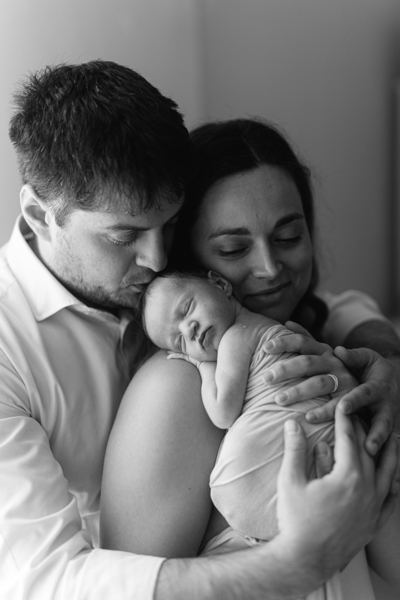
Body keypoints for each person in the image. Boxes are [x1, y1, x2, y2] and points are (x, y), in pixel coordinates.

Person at [0, 61, 397, 600]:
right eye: (124, 236)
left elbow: (332, 307)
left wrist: (382, 354)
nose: (156, 259)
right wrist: (298, 562)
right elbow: (44, 578)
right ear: (38, 215)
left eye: (168, 227)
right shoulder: (25, 350)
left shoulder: (183, 299)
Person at [100, 118, 400, 597]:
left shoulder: (318, 348)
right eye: (233, 248)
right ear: (197, 267)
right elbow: (130, 587)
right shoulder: (176, 389)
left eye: (288, 237)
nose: (269, 268)